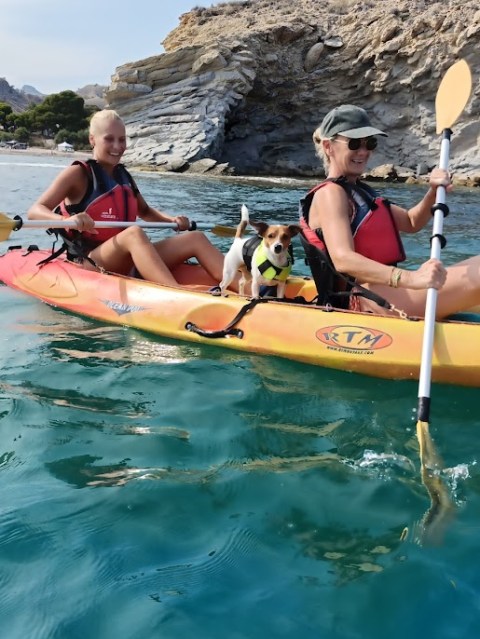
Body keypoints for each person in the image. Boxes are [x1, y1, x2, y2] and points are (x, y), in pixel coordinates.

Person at [300, 103, 480, 319]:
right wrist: (411, 278)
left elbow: (412, 222)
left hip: (383, 290)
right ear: (329, 147)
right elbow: (343, 259)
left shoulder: (359, 192)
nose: (364, 151)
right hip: (364, 299)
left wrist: (432, 193)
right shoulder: (330, 194)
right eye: (355, 143)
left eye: (370, 143)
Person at [27, 109, 225, 287]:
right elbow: (35, 211)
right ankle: (176, 295)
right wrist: (66, 220)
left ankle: (251, 291)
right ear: (92, 139)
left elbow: (145, 212)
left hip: (125, 256)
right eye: (109, 139)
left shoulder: (124, 176)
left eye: (122, 140)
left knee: (195, 238)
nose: (117, 146)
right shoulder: (78, 173)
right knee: (134, 233)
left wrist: (172, 221)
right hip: (90, 261)